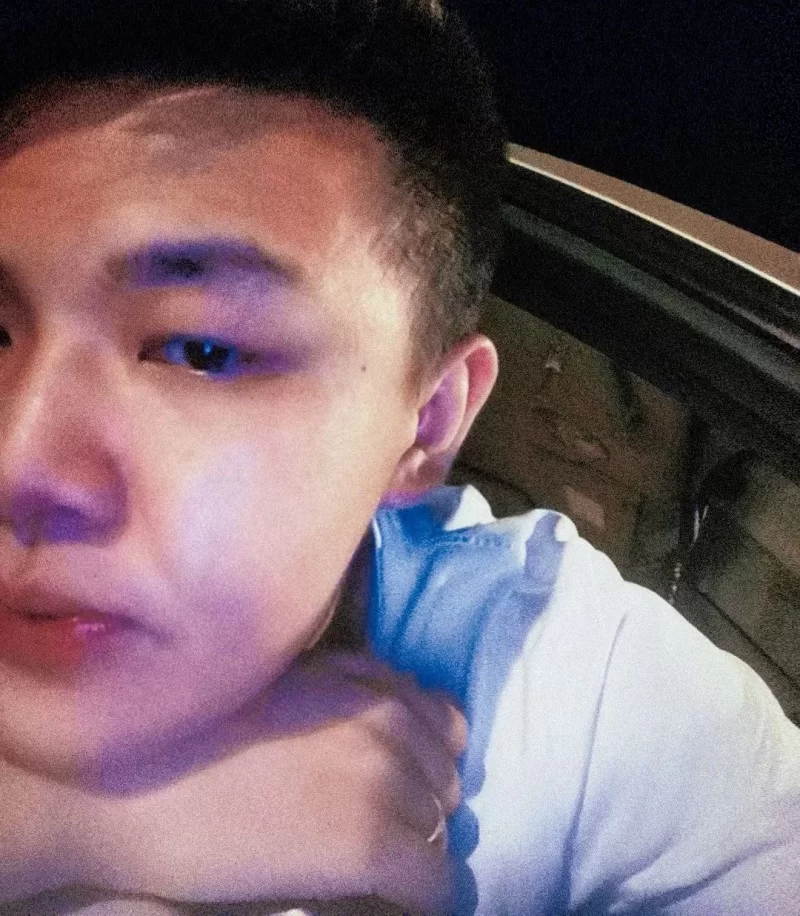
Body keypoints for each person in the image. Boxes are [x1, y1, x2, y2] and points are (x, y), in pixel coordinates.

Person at [0, 1, 798, 914]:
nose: (18, 462)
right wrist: (77, 824)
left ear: (428, 424)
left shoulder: (567, 692)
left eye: (202, 351)